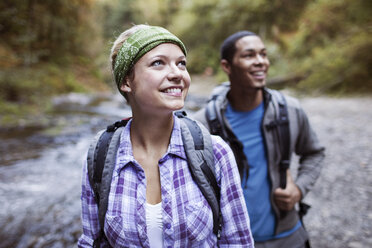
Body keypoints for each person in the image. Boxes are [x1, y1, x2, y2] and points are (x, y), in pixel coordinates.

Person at [77, 25, 254, 247]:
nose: (177, 73)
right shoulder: (100, 157)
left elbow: (237, 242)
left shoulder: (214, 151)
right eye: (158, 63)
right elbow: (91, 241)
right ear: (126, 82)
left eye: (181, 63)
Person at [193, 31, 325, 248]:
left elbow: (314, 153)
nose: (260, 62)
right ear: (227, 67)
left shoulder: (290, 110)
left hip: (289, 237)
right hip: (230, 241)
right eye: (249, 55)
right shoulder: (202, 124)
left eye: (263, 54)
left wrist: (299, 189)